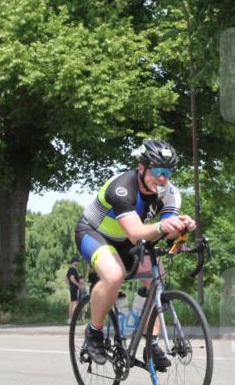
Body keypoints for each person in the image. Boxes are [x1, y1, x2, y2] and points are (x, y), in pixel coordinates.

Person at [74, 140, 196, 371]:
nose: (162, 178)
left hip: (130, 240)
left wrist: (182, 228)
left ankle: (151, 344)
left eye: (167, 173)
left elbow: (166, 234)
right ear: (141, 168)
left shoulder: (170, 194)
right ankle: (94, 332)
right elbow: (135, 233)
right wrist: (163, 226)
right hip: (95, 234)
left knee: (157, 276)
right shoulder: (122, 188)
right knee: (113, 275)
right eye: (157, 171)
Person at [66, 256, 86, 325]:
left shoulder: (69, 269)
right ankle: (73, 320)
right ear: (74, 262)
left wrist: (70, 285)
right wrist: (78, 285)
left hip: (72, 288)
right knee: (75, 303)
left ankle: (70, 319)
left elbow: (67, 279)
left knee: (71, 303)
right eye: (77, 262)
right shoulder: (73, 269)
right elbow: (71, 278)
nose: (78, 263)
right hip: (74, 288)